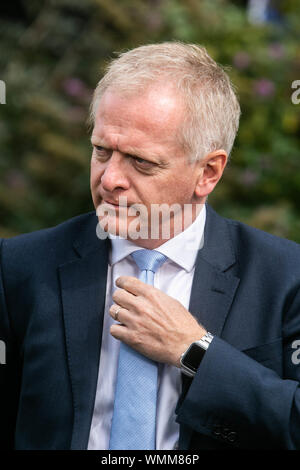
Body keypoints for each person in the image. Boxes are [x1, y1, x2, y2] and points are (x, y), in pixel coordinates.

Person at [0, 42, 300, 450]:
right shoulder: (20, 267)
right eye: (101, 151)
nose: (109, 179)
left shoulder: (285, 276)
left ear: (208, 172)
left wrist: (196, 352)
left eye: (141, 162)